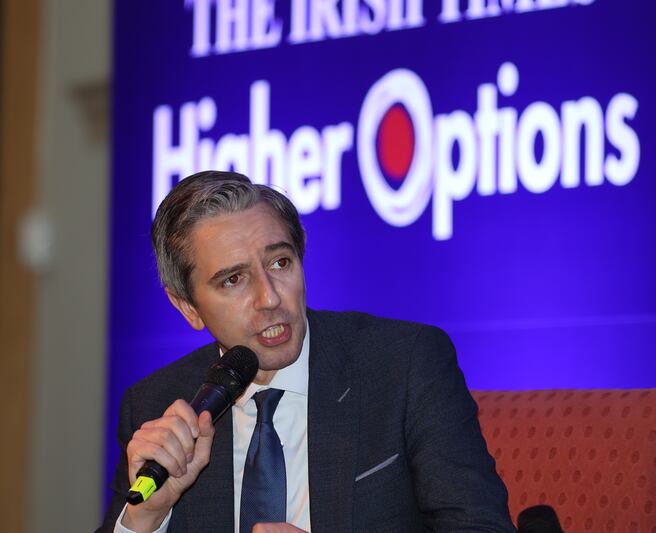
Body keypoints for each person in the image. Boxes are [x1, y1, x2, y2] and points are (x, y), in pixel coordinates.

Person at [97, 171, 515, 533]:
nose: (269, 298)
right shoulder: (157, 405)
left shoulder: (402, 366)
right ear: (187, 306)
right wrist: (145, 519)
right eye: (233, 280)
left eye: (280, 263)